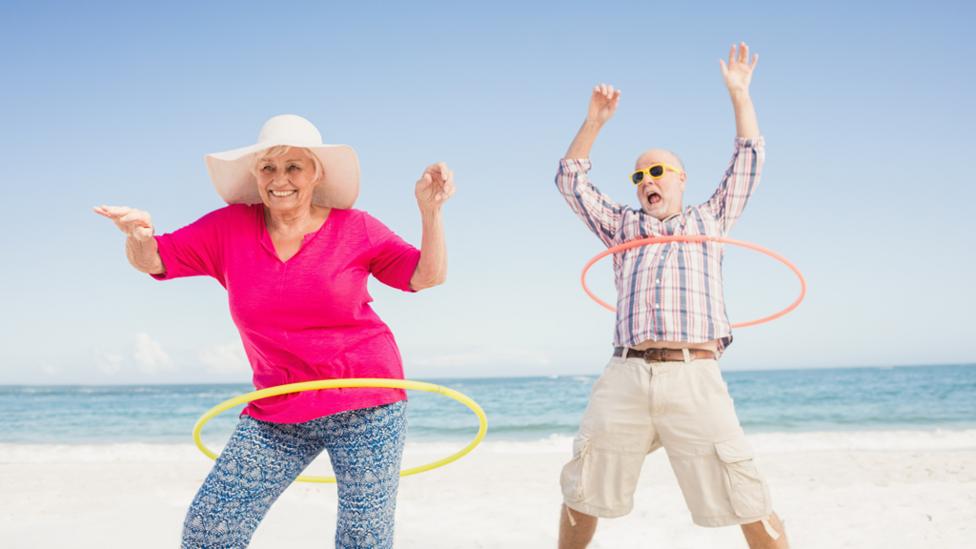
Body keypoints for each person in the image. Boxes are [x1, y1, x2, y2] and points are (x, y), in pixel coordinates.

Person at [94, 114, 455, 548]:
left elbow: (425, 276)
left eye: (293, 167)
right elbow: (155, 259)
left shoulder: (355, 227)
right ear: (255, 175)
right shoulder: (228, 228)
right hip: (278, 406)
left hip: (366, 402)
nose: (279, 179)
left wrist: (430, 212)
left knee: (363, 540)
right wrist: (137, 234)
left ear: (316, 173)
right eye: (268, 167)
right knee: (210, 528)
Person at [554, 44, 788, 548]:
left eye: (657, 172)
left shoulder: (709, 220)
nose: (646, 181)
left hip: (694, 373)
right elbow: (570, 181)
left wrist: (740, 96)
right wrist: (594, 121)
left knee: (746, 494)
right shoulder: (622, 226)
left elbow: (749, 160)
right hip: (627, 372)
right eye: (639, 176)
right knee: (582, 487)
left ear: (681, 180)